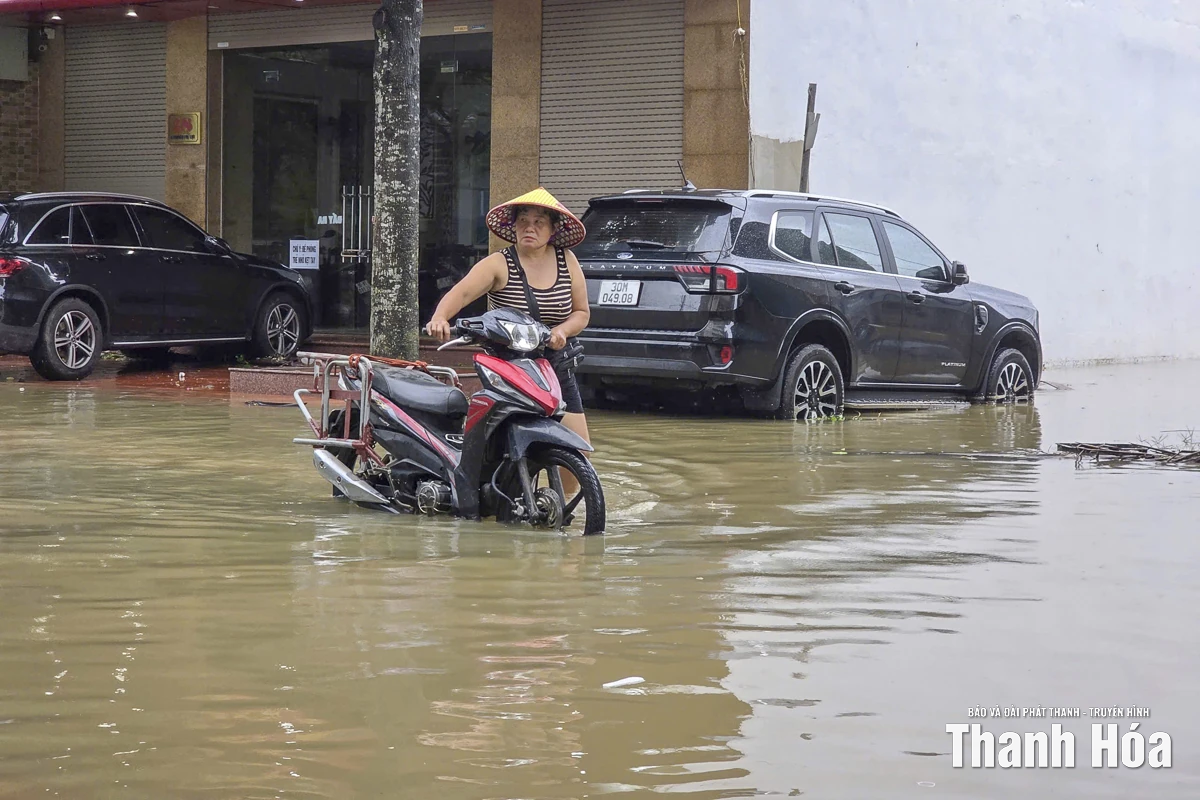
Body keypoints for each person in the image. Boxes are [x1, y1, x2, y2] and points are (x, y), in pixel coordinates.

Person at [424, 187, 593, 488]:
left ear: (554, 229)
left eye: (539, 221)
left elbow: (581, 313)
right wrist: (440, 317)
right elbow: (460, 293)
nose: (530, 227)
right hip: (509, 365)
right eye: (523, 220)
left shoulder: (567, 261)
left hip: (555, 364)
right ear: (513, 226)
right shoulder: (499, 263)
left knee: (578, 449)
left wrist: (562, 332)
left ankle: (561, 505)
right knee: (496, 446)